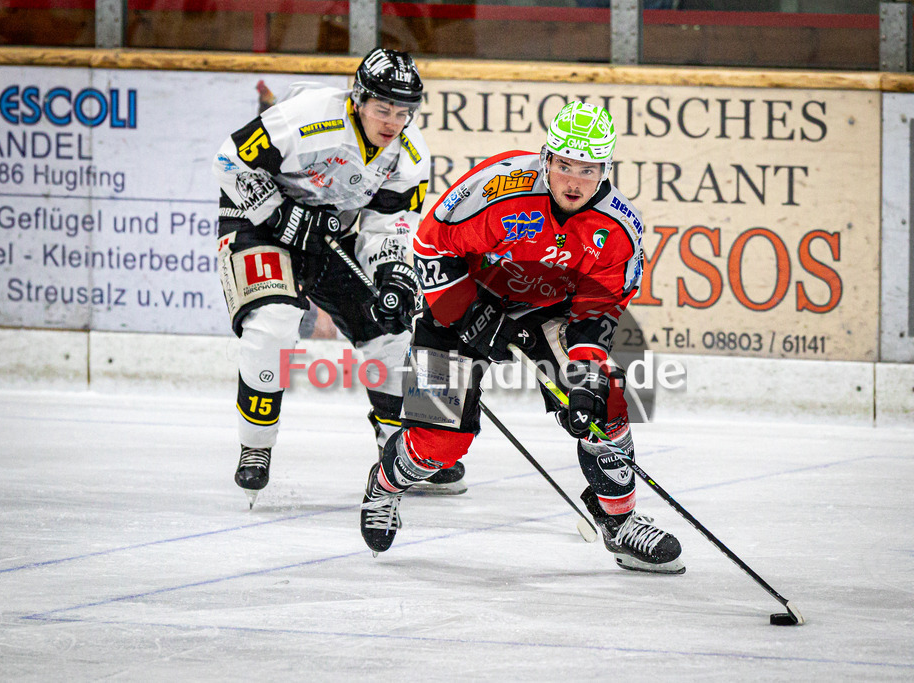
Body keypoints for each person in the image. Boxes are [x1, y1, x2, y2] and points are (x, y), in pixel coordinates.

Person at [358, 101, 684, 574]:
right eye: (565, 165)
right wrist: (464, 312)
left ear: (606, 170)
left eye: (588, 170)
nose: (574, 182)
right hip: (465, 301)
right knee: (437, 443)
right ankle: (385, 487)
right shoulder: (499, 188)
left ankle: (619, 522)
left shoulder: (618, 228)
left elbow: (598, 308)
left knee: (605, 402)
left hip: (545, 312)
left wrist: (586, 373)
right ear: (546, 157)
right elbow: (431, 242)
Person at [213, 48, 466, 506]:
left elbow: (390, 225)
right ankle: (256, 446)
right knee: (273, 322)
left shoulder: (410, 153)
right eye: (383, 108)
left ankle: (406, 452)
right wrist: (283, 215)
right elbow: (230, 160)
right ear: (359, 98)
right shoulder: (308, 116)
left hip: (332, 233)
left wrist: (393, 275)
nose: (393, 122)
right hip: (259, 224)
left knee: (394, 329)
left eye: (403, 112)